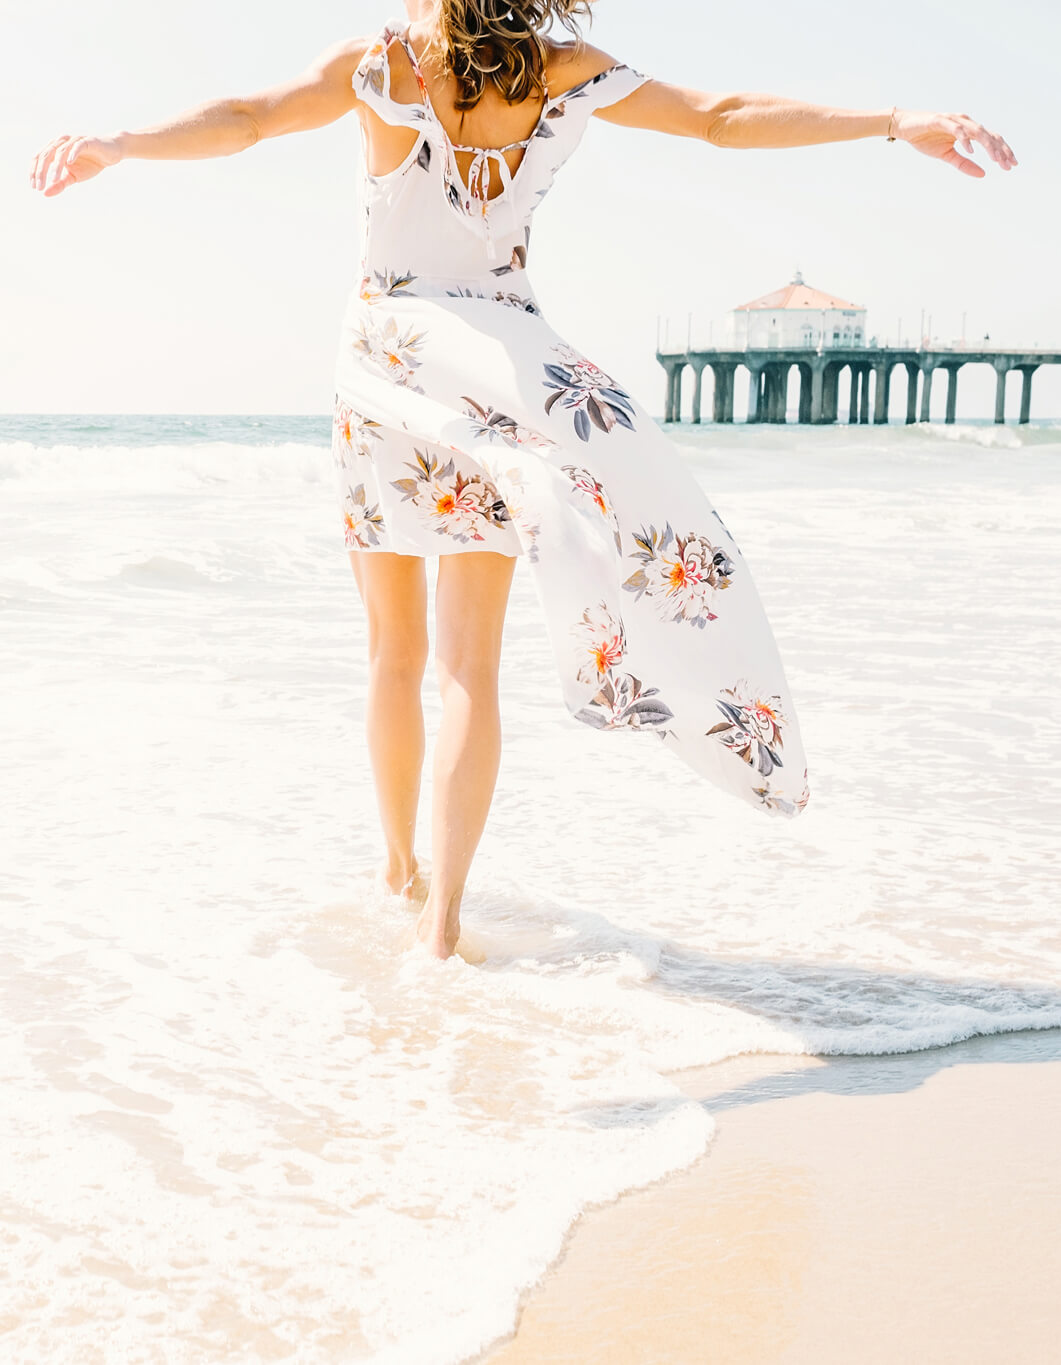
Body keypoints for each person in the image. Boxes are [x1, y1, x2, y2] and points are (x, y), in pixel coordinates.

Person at [30, 1, 1016, 961]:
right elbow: (719, 117)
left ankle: (394, 869)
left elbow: (245, 118)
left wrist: (118, 143)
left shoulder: (378, 65)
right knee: (469, 669)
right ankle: (441, 919)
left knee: (393, 657)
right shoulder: (557, 70)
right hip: (506, 375)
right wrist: (889, 123)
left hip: (387, 365)